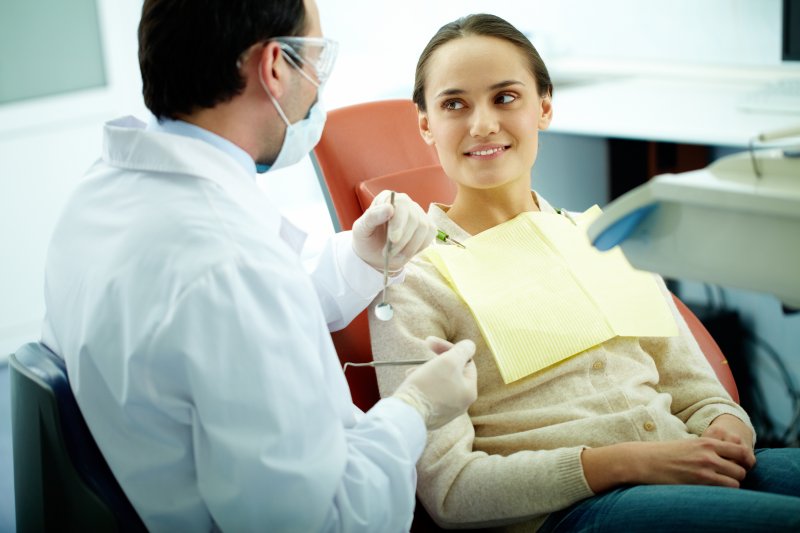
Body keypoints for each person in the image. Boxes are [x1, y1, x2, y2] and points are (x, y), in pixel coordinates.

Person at [41, 1, 478, 531]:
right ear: (274, 67)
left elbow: (229, 326)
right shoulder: (228, 265)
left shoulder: (106, 193)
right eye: (317, 60)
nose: (318, 85)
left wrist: (358, 257)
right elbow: (329, 521)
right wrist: (415, 408)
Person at [369, 13, 800, 533]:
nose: (482, 123)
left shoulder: (604, 238)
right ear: (425, 125)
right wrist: (629, 463)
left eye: (505, 97)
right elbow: (452, 490)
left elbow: (699, 393)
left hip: (686, 467)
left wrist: (726, 431)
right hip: (574, 513)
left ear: (544, 106)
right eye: (454, 104)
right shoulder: (414, 281)